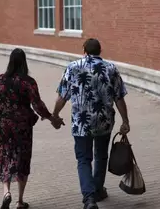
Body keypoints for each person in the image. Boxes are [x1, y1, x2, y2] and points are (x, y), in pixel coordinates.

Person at [52, 38, 130, 209]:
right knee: (101, 156)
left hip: (81, 124)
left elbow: (62, 96)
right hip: (104, 122)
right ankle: (98, 190)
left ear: (84, 51)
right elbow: (119, 98)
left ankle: (89, 198)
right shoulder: (111, 68)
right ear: (100, 50)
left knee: (83, 159)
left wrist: (55, 115)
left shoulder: (73, 67)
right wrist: (125, 121)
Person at [0, 48, 64, 209]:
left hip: (4, 126)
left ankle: (6, 192)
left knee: (5, 155)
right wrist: (52, 119)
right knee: (22, 159)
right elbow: (37, 105)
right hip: (22, 127)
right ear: (24, 62)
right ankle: (20, 201)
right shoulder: (28, 82)